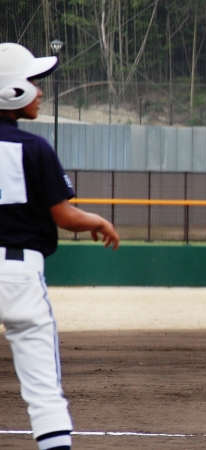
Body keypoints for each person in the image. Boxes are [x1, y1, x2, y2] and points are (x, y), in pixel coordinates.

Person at [0, 42, 120, 450]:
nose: (39, 91)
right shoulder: (34, 148)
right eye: (32, 82)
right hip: (20, 275)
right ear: (12, 91)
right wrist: (98, 220)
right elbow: (64, 216)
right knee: (43, 391)